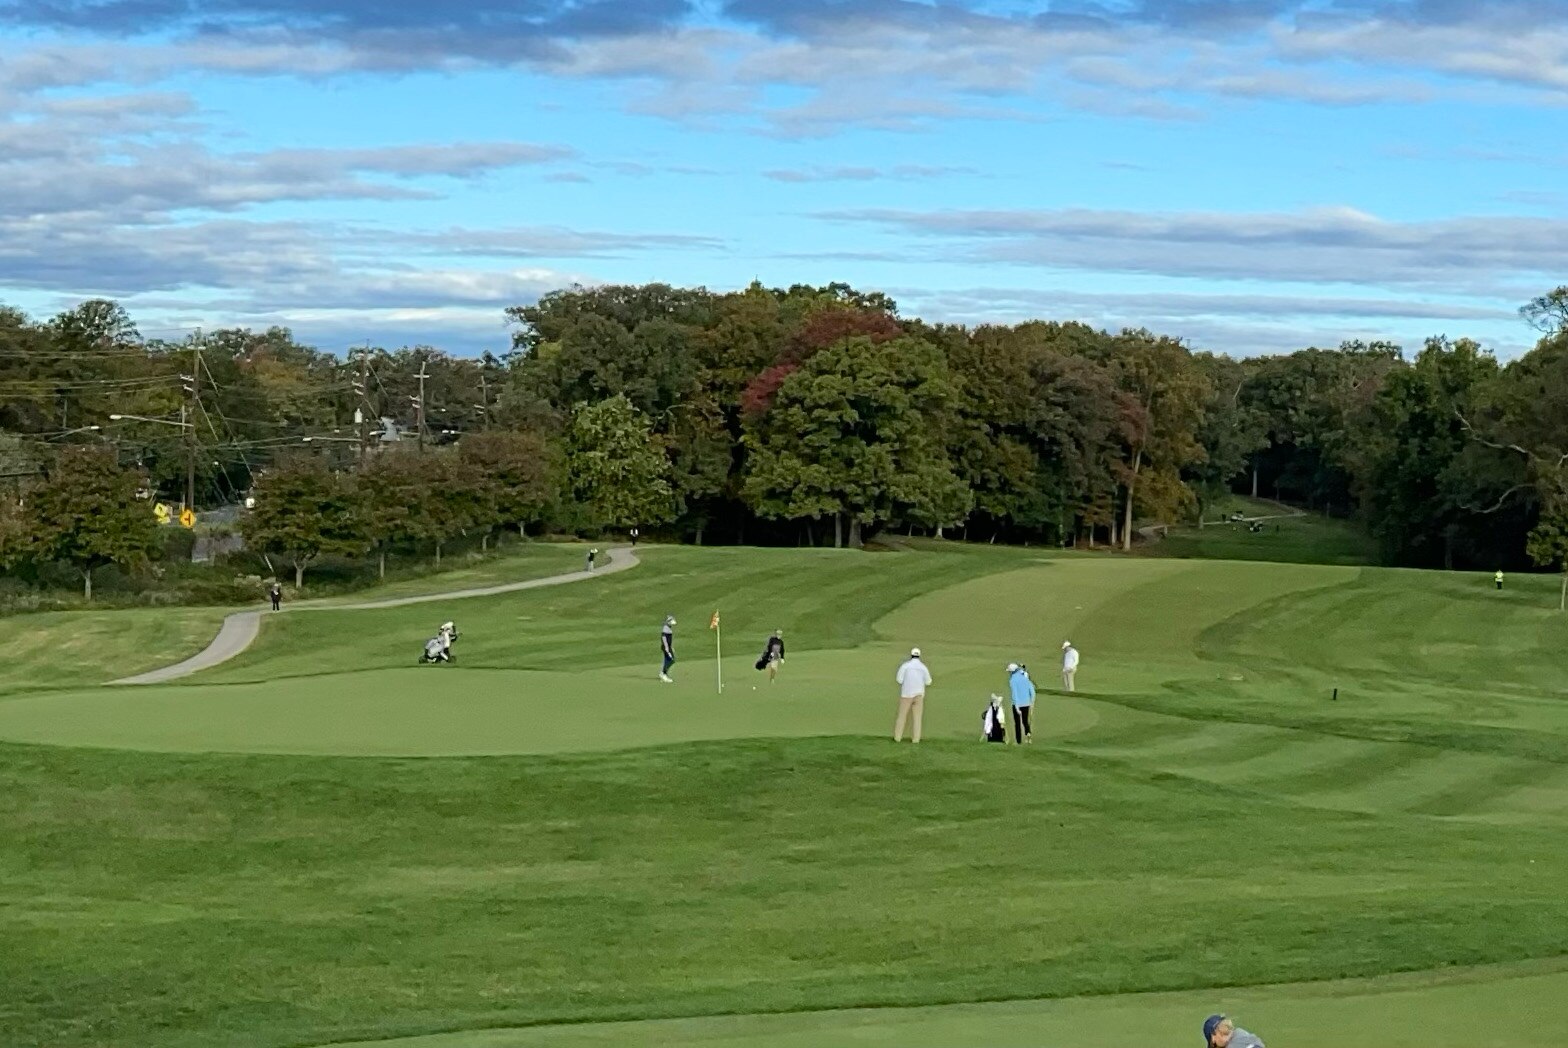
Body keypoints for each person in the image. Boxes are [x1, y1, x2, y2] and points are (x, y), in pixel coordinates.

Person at [893, 647, 932, 744]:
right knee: (917, 718)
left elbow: (899, 680)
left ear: (911, 655)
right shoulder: (923, 667)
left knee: (902, 716)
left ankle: (897, 738)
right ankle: (916, 739)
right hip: (919, 695)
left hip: (906, 694)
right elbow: (928, 681)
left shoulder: (905, 666)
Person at [1007, 662, 1036, 743]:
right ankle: (1028, 735)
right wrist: (1032, 702)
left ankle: (1018, 741)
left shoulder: (1012, 680)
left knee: (1017, 723)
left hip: (1017, 704)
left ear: (1012, 672)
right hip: (1026, 703)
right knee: (1025, 721)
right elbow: (1032, 690)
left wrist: (1016, 706)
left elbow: (1014, 694)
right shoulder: (1025, 677)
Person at [660, 616, 676, 683]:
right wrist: (666, 647)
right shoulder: (665, 629)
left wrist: (670, 647)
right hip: (666, 647)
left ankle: (664, 674)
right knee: (670, 660)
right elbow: (664, 638)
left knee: (670, 660)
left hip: (668, 647)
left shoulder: (669, 628)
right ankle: (663, 674)